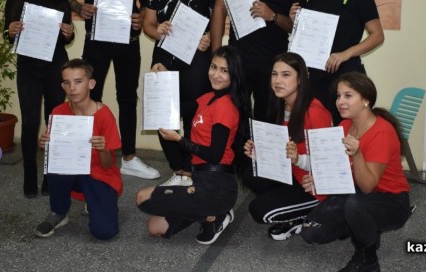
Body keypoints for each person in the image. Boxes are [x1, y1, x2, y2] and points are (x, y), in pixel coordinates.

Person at [63, 0, 160, 180]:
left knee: (127, 98)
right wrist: (79, 7)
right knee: (88, 96)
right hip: (95, 40)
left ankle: (128, 157)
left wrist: (141, 15)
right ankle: (86, 154)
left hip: (128, 41)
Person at [136, 46, 251, 245]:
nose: (216, 75)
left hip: (216, 185)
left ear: (235, 74)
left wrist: (179, 140)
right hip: (199, 180)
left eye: (224, 70)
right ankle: (209, 213)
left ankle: (217, 212)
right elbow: (175, 108)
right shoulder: (207, 98)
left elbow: (214, 155)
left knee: (142, 197)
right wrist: (164, 78)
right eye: (213, 67)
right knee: (155, 227)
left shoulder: (226, 106)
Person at [300, 72, 411, 271]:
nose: (340, 101)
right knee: (311, 233)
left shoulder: (382, 132)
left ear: (366, 100)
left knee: (355, 205)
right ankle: (362, 228)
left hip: (391, 200)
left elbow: (368, 187)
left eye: (348, 95)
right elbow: (338, 170)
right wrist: (318, 180)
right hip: (356, 192)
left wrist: (358, 154)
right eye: (338, 96)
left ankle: (367, 261)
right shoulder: (344, 126)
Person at [143, 0, 215, 186]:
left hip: (196, 60)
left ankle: (190, 169)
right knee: (163, 115)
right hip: (164, 58)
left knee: (193, 116)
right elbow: (148, 24)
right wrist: (157, 30)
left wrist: (208, 38)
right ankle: (178, 169)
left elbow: (216, 25)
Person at [4, 0, 74, 198]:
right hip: (28, 68)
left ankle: (50, 176)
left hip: (55, 66)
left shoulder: (61, 2)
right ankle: (29, 175)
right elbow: (7, 34)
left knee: (53, 122)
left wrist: (69, 34)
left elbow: (66, 38)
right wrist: (11, 31)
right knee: (31, 122)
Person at [290, 0, 384, 125]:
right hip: (317, 79)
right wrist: (296, 23)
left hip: (348, 76)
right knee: (320, 129)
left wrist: (345, 53)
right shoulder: (313, 3)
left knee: (350, 128)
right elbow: (308, 44)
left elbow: (377, 35)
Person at [242, 53, 332, 240]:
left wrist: (298, 159)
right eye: (274, 74)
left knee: (259, 210)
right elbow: (282, 152)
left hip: (316, 187)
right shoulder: (281, 105)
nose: (277, 81)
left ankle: (311, 212)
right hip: (294, 176)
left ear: (300, 79)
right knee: (250, 173)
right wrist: (260, 151)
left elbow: (328, 163)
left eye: (286, 75)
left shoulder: (315, 112)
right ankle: (293, 213)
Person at [35, 59, 123, 240]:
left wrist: (102, 149)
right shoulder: (59, 112)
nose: (72, 88)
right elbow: (54, 155)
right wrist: (44, 144)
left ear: (91, 84)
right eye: (67, 83)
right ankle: (59, 212)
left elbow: (108, 165)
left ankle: (95, 202)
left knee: (104, 232)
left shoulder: (104, 115)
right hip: (71, 171)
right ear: (62, 86)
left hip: (99, 174)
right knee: (55, 167)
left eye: (78, 82)